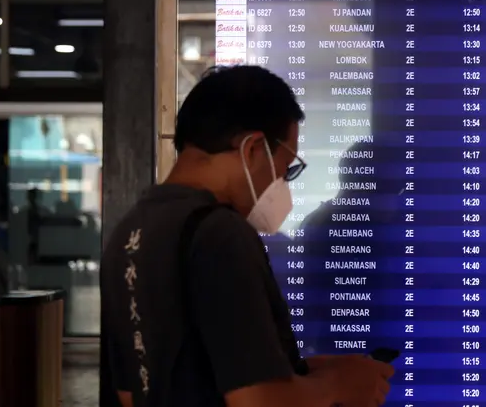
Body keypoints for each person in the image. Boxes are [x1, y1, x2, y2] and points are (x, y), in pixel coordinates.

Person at [100, 65, 394, 407]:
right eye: (287, 169)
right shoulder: (219, 232)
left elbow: (138, 388)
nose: (282, 185)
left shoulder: (131, 229)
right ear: (253, 148)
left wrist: (307, 371)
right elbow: (256, 399)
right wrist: (339, 386)